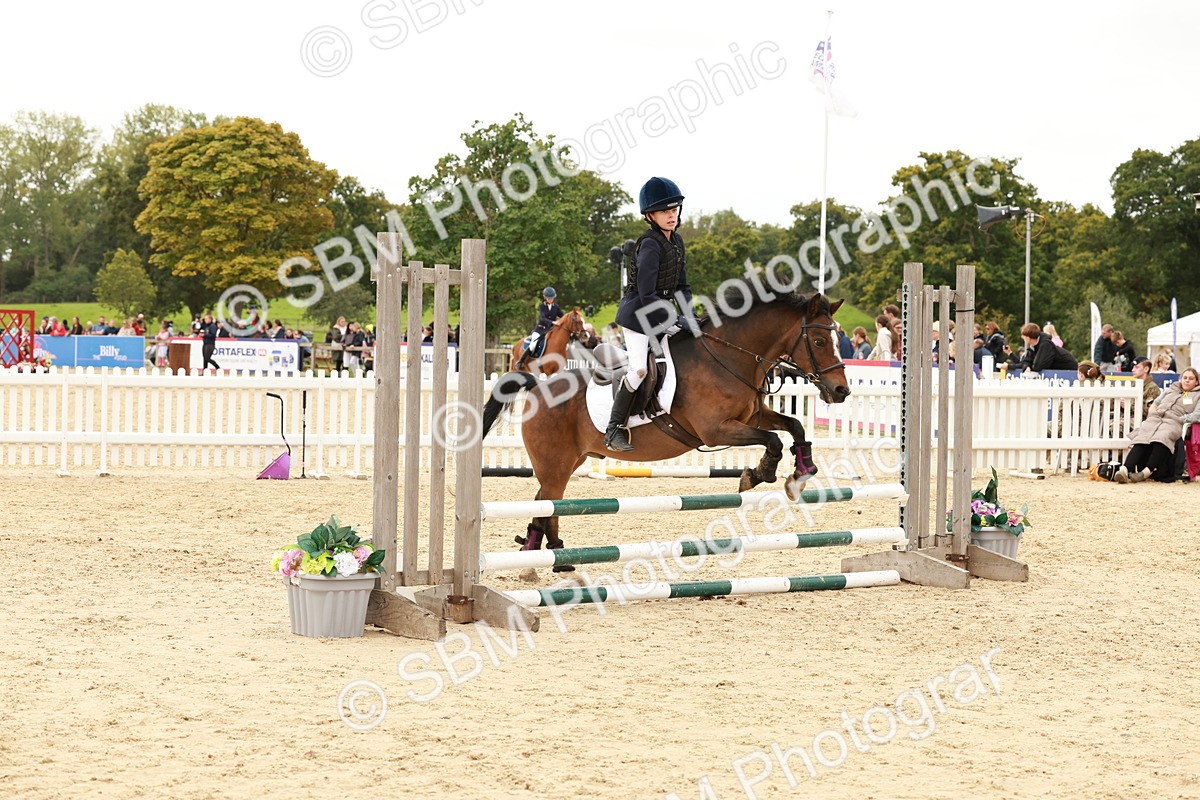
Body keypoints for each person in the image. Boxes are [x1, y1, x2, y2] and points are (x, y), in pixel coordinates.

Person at [606, 176, 693, 452]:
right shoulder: (649, 245)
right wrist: (673, 319)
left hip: (660, 311)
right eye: (665, 211)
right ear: (650, 215)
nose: (671, 215)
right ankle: (614, 428)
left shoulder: (677, 241)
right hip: (638, 315)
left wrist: (690, 316)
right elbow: (646, 294)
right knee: (640, 368)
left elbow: (682, 286)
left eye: (674, 209)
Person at [1114, 368, 1199, 482]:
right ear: (1181, 379)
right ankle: (1125, 469)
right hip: (1156, 418)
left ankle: (1145, 472)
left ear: (1197, 382)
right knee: (1143, 436)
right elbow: (1156, 402)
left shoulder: (1198, 395)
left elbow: (1197, 415)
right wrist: (1153, 413)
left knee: (1162, 437)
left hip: (1174, 421)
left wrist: (1181, 419)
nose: (1187, 381)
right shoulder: (1171, 389)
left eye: (1191, 379)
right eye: (1185, 378)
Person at [521, 287, 564, 360]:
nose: (550, 300)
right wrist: (553, 322)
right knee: (533, 345)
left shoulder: (556, 307)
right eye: (549, 298)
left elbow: (562, 316)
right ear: (545, 298)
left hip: (551, 330)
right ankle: (522, 360)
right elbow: (542, 318)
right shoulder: (542, 306)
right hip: (540, 330)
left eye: (552, 298)